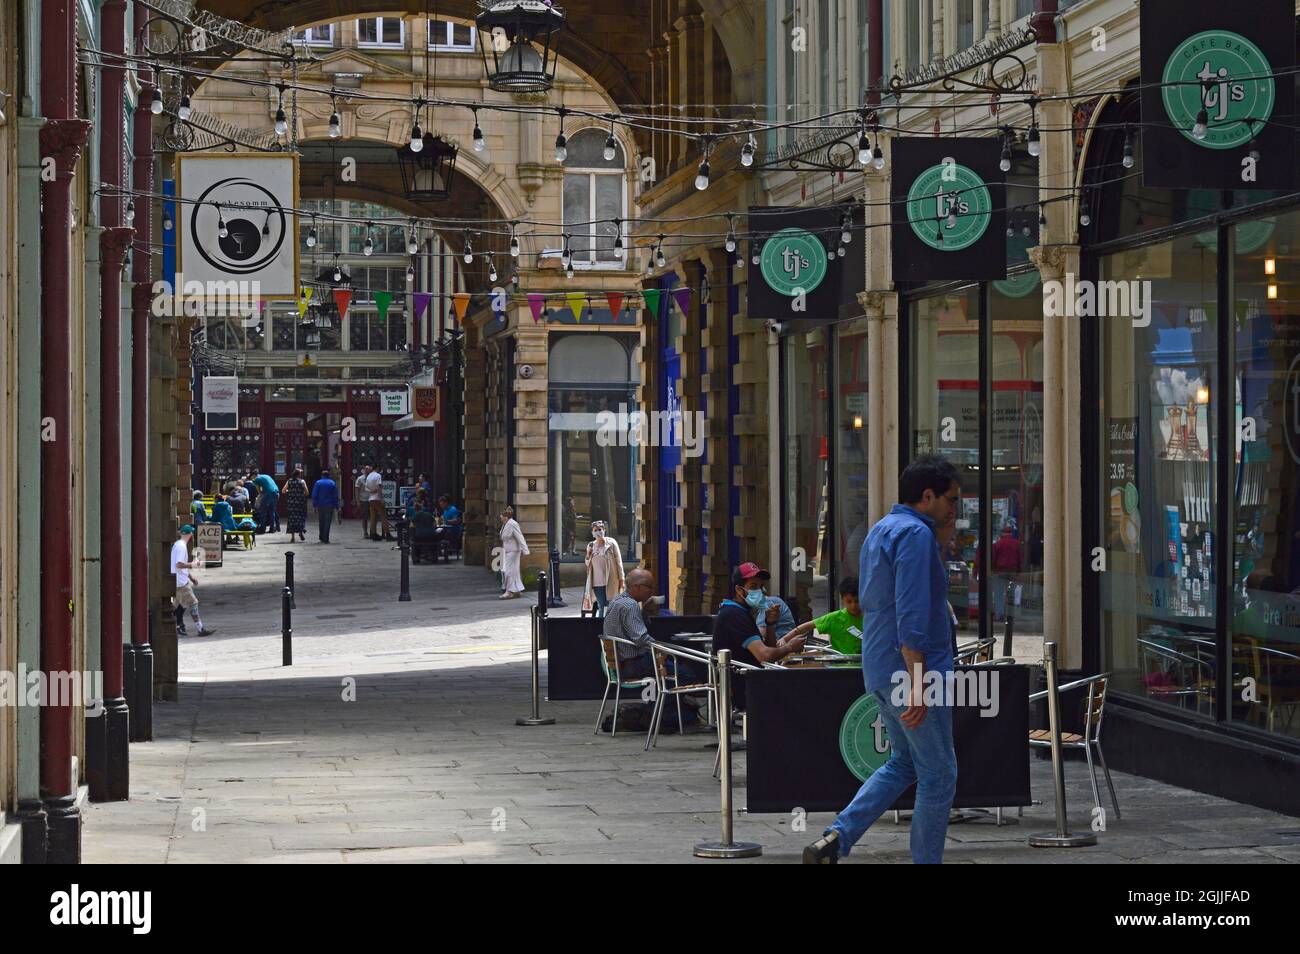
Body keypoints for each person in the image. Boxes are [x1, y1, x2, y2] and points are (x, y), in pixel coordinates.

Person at [804, 455, 961, 865]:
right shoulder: (915, 535)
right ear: (928, 496)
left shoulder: (882, 530)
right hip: (909, 669)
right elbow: (911, 612)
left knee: (903, 762)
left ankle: (838, 836)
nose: (955, 509)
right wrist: (919, 681)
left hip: (878, 664)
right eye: (951, 500)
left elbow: (887, 600)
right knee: (939, 775)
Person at [603, 569, 706, 716]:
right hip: (633, 664)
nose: (652, 591)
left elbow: (631, 631)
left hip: (622, 665)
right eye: (649, 587)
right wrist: (663, 649)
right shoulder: (630, 606)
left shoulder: (617, 601)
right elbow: (641, 638)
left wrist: (644, 612)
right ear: (637, 587)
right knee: (686, 675)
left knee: (671, 670)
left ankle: (662, 711)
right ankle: (659, 713)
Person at [711, 563, 806, 711]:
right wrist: (790, 647)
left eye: (761, 586)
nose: (760, 591)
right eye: (754, 586)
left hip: (757, 681)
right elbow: (765, 655)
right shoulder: (733, 615)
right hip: (746, 687)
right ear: (739, 589)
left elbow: (769, 651)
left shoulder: (742, 612)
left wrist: (770, 624)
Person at [785, 576, 864, 656]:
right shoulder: (835, 618)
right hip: (840, 664)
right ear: (842, 599)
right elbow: (806, 626)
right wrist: (785, 639)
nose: (853, 605)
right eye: (849, 602)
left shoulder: (869, 618)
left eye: (856, 601)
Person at [171, 525, 215, 637]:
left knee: (174, 607)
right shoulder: (181, 546)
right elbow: (179, 564)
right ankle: (200, 629)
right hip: (181, 583)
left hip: (179, 580)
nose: (192, 536)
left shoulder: (177, 544)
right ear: (189, 534)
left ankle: (177, 627)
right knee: (193, 603)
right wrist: (194, 564)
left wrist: (191, 577)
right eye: (192, 534)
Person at [583, 520, 625, 618]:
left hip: (611, 580)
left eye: (600, 529)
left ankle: (612, 625)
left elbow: (619, 562)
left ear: (604, 530)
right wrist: (588, 554)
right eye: (595, 530)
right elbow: (587, 563)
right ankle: (600, 626)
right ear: (592, 533)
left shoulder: (611, 543)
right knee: (601, 605)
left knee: (612, 604)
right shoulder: (591, 545)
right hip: (597, 582)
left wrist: (621, 578)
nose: (598, 532)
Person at [498, 506, 529, 598]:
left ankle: (509, 591)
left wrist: (525, 550)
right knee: (514, 571)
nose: (500, 517)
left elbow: (520, 537)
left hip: (513, 551)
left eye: (501, 515)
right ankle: (517, 590)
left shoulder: (513, 524)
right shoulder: (505, 524)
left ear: (506, 517)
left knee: (508, 571)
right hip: (507, 550)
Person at [365, 465, 393, 541]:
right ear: (377, 469)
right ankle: (388, 534)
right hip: (377, 498)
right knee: (383, 517)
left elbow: (366, 487)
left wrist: (371, 491)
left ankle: (373, 534)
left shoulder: (368, 476)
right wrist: (382, 499)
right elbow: (379, 487)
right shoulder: (378, 476)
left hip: (371, 499)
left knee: (373, 518)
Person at [311, 470, 339, 543]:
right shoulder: (332, 483)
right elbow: (335, 496)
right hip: (330, 505)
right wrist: (337, 506)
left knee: (321, 521)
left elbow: (314, 495)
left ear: (321, 475)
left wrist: (314, 505)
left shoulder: (318, 483)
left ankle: (321, 536)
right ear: (328, 475)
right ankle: (326, 538)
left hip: (320, 505)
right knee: (327, 522)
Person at [282, 468, 309, 542]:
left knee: (292, 519)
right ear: (299, 474)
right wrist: (301, 493)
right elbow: (307, 492)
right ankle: (300, 532)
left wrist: (289, 491)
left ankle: (292, 537)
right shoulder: (302, 481)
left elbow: (283, 491)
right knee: (300, 518)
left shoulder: (289, 481)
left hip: (291, 503)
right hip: (300, 503)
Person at [354, 467, 371, 539]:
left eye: (369, 470)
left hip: (372, 499)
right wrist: (358, 501)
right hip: (363, 500)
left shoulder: (372, 478)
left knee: (373, 517)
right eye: (366, 469)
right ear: (364, 470)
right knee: (365, 517)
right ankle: (365, 532)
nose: (367, 471)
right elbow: (356, 490)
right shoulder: (360, 479)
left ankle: (373, 532)